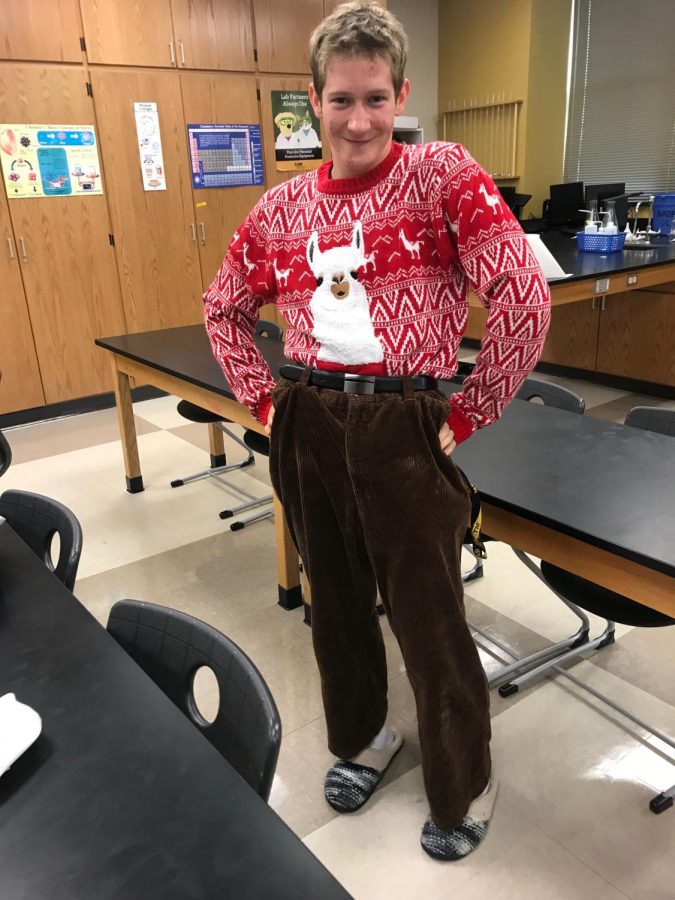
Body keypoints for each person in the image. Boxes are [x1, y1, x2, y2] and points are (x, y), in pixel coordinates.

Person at [204, 1, 551, 861]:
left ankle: (464, 776)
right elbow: (222, 307)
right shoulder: (283, 208)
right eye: (339, 101)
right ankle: (362, 738)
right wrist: (267, 405)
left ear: (400, 93)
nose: (357, 121)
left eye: (374, 99)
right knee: (336, 609)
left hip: (405, 420)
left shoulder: (442, 176)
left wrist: (468, 411)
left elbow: (521, 295)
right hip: (311, 417)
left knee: (429, 620)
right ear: (312, 101)